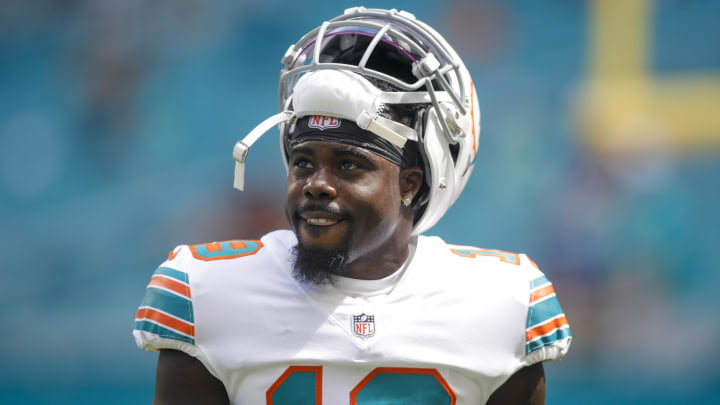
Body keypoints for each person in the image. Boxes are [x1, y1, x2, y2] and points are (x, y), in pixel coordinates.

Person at [133, 7, 571, 404]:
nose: (317, 185)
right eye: (303, 162)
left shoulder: (502, 303)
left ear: (410, 184)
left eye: (348, 165)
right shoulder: (208, 292)